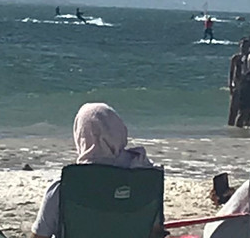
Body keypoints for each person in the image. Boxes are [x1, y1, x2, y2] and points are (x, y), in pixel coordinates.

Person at [30, 102, 162, 238]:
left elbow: (40, 236)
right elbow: (155, 230)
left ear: (81, 135)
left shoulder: (65, 185)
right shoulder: (147, 178)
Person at [227, 39, 249, 127]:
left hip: (246, 85)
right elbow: (231, 72)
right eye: (242, 46)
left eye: (245, 46)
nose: (243, 48)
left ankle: (245, 127)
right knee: (233, 109)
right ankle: (230, 126)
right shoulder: (236, 58)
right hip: (237, 84)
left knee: (245, 110)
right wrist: (230, 84)